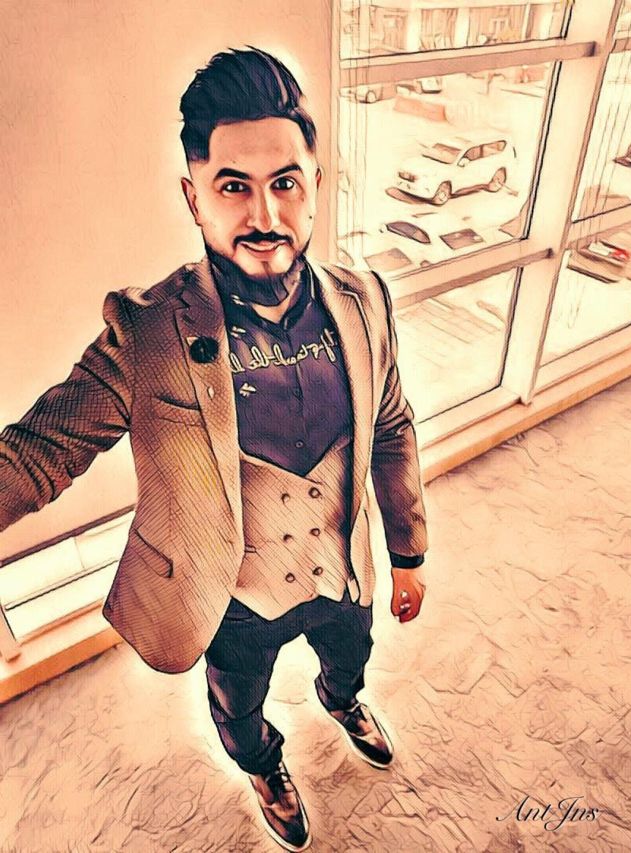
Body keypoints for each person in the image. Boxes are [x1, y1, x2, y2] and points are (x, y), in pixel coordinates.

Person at [0, 47, 428, 851]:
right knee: (238, 706)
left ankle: (342, 699)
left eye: (285, 182)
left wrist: (407, 553)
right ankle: (264, 765)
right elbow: (36, 451)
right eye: (234, 186)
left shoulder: (366, 300)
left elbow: (394, 425)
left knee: (352, 655)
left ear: (315, 184)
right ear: (194, 196)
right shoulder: (148, 330)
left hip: (344, 571)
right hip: (232, 599)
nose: (264, 213)